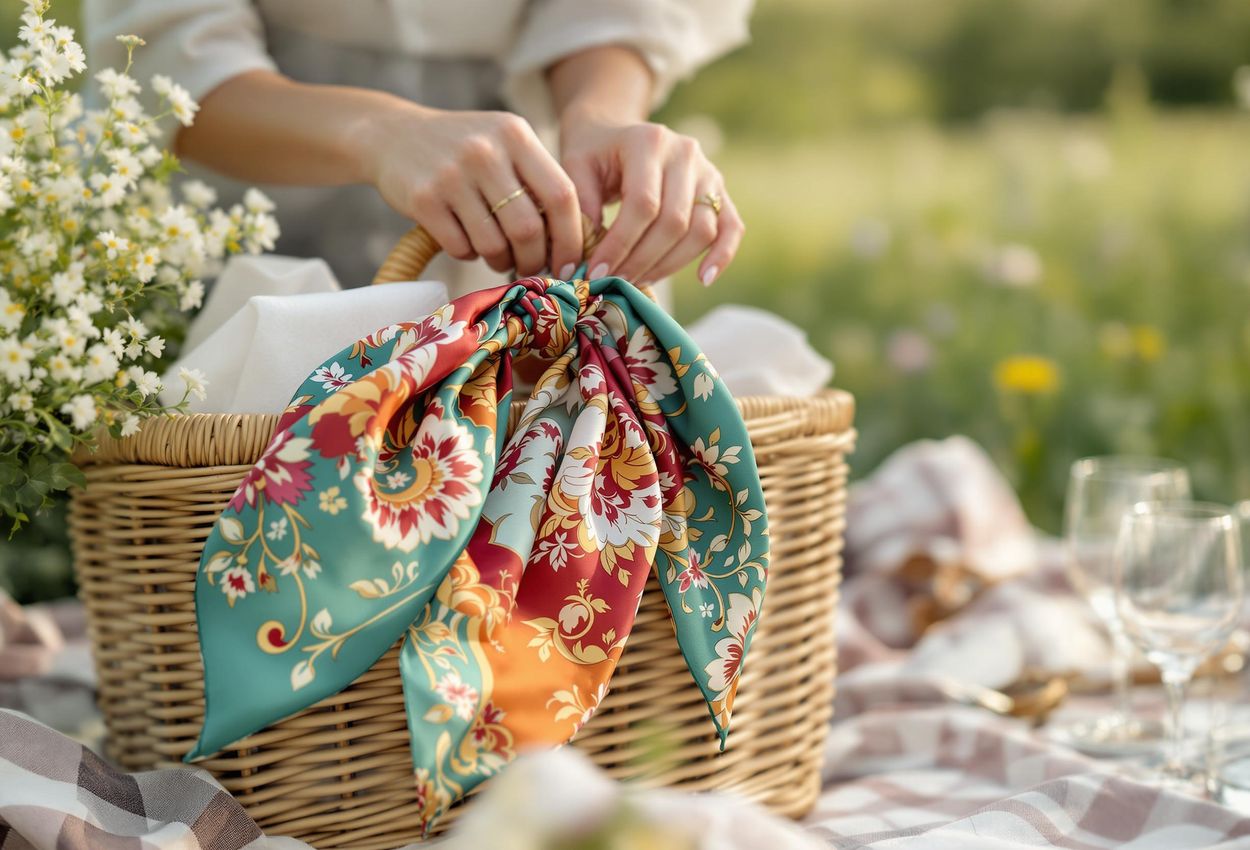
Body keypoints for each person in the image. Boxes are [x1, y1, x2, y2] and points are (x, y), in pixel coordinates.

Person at [85, 1, 750, 296]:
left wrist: (598, 117)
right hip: (239, 208)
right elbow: (172, 62)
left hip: (518, 209)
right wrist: (379, 135)